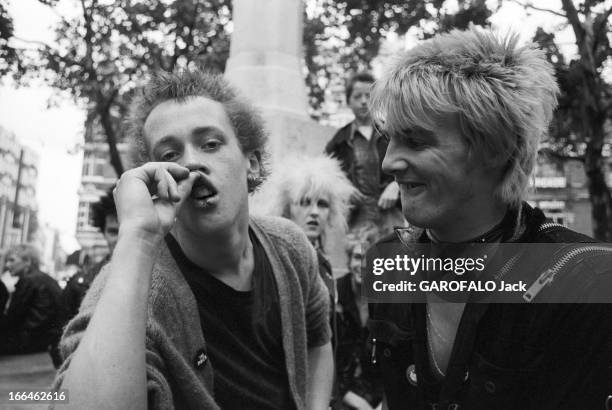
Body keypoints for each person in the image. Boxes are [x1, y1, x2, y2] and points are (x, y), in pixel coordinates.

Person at [54, 69, 333, 409]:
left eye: (210, 144)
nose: (192, 162)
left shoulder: (290, 246)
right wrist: (138, 239)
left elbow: (318, 339)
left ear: (253, 163)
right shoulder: (131, 285)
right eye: (169, 154)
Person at [366, 27, 612, 410]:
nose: (389, 163)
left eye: (416, 141)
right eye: (389, 140)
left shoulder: (587, 284)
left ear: (495, 148)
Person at [264, 154, 357, 302]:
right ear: (287, 209)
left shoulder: (323, 264)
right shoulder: (277, 260)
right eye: (305, 202)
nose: (314, 212)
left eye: (322, 204)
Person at [325, 72, 403, 234]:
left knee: (394, 258)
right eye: (357, 96)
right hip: (357, 218)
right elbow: (324, 173)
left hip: (391, 216)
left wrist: (396, 185)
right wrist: (343, 188)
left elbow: (412, 164)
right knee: (360, 259)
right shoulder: (339, 140)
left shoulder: (393, 133)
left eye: (368, 96)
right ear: (348, 101)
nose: (363, 101)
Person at [334, 225, 384, 410]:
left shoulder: (386, 301)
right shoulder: (335, 294)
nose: (363, 265)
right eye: (357, 257)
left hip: (378, 394)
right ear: (349, 261)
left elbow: (393, 359)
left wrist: (384, 403)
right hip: (340, 393)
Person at [0, 244, 64, 367]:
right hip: (46, 341)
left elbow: (13, 318)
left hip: (29, 341)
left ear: (27, 261)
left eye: (12, 260)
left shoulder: (29, 281)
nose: (7, 266)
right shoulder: (45, 279)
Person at [63, 190, 118, 320]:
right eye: (113, 232)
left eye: (127, 230)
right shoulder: (79, 284)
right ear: (103, 233)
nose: (120, 239)